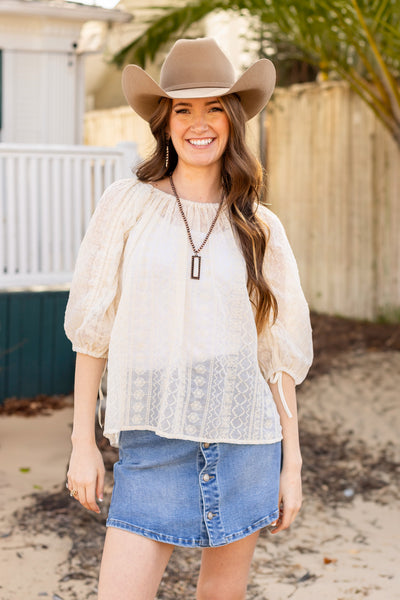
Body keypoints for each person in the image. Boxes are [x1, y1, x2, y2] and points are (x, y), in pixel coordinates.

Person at [64, 37, 313, 600]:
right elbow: (92, 330)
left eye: (214, 108)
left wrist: (291, 464)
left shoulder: (261, 227)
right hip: (151, 439)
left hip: (246, 438)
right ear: (165, 121)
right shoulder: (126, 204)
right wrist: (83, 441)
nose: (199, 123)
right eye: (183, 108)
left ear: (233, 120)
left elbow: (276, 355)